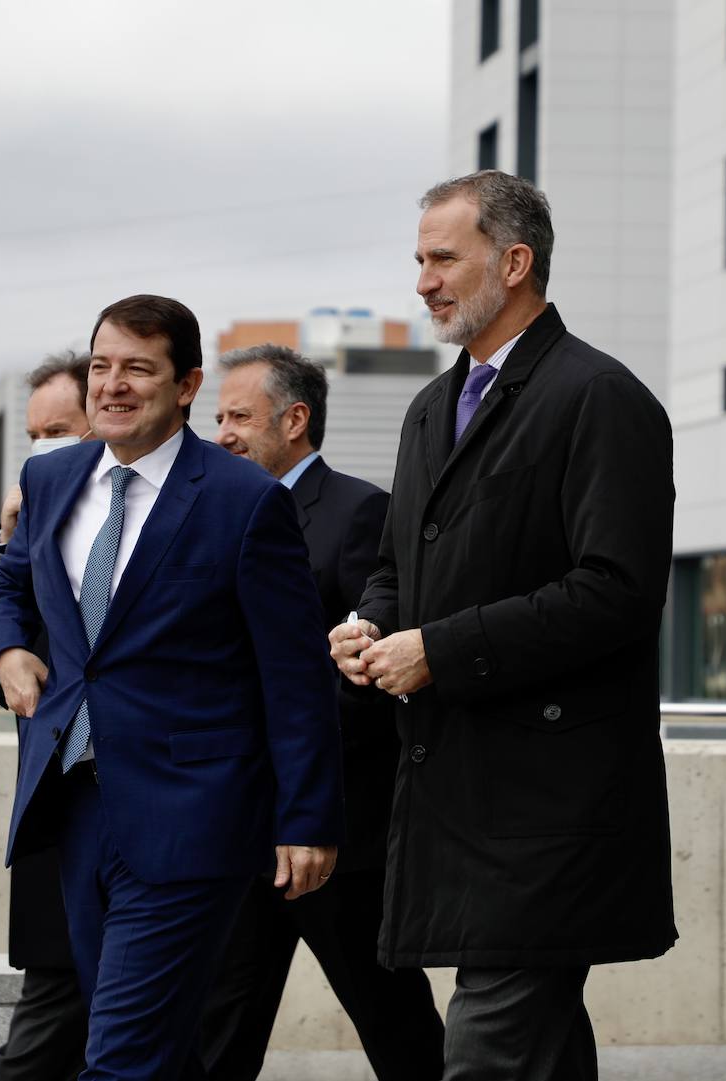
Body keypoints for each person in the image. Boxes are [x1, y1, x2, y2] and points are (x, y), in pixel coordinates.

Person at [328, 170, 677, 1081]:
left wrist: (437, 649)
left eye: (443, 258)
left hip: (553, 809)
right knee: (539, 1049)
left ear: (515, 262)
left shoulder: (600, 396)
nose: (423, 281)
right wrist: (369, 625)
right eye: (419, 259)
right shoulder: (429, 408)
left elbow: (619, 589)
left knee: (486, 1051)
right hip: (461, 792)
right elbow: (400, 565)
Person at [0, 294, 344, 1081]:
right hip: (74, 804)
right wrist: (8, 650)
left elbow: (296, 674)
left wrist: (307, 816)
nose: (113, 384)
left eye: (138, 368)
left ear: (186, 386)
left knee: (120, 1058)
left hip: (192, 816)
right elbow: (6, 585)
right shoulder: (51, 479)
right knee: (161, 1048)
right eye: (102, 366)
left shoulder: (245, 501)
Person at [201, 344, 443, 1080]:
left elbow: (366, 673)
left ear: (296, 419)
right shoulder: (222, 515)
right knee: (217, 1034)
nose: (222, 433)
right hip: (242, 831)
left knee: (398, 1029)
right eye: (218, 417)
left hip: (342, 837)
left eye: (238, 416)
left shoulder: (357, 511)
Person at [0, 350, 92, 1081]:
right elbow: (14, 675)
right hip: (58, 820)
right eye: (34, 435)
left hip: (153, 824)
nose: (43, 448)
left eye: (59, 430)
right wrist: (12, 538)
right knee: (50, 1030)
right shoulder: (33, 534)